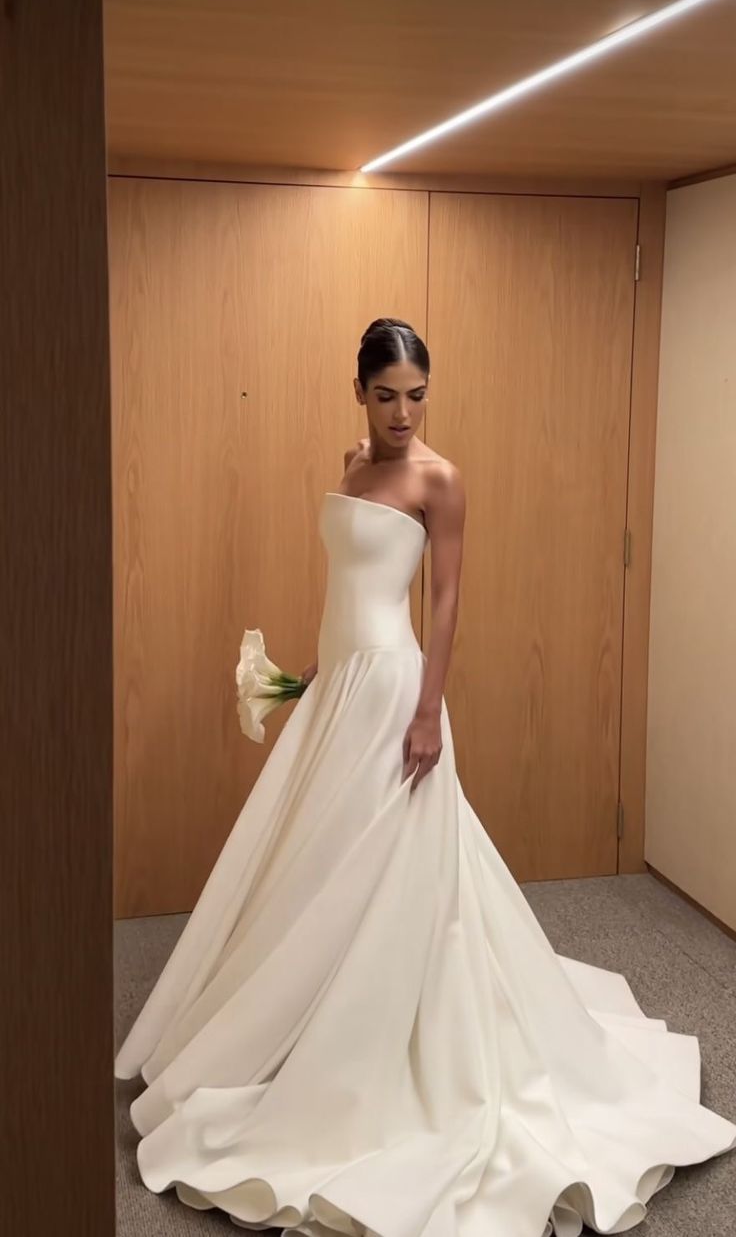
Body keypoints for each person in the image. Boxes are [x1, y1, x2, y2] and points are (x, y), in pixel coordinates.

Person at [115, 318, 736, 1237]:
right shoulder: (353, 461)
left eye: (416, 395)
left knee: (391, 864)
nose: (402, 413)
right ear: (359, 393)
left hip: (400, 690)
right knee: (320, 859)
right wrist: (322, 668)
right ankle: (306, 1015)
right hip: (344, 683)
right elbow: (349, 583)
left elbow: (444, 599)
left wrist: (426, 710)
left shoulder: (438, 480)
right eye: (385, 395)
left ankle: (382, 1037)